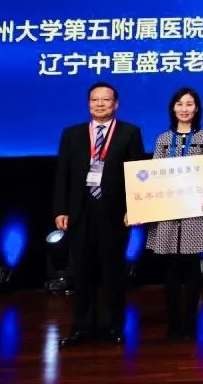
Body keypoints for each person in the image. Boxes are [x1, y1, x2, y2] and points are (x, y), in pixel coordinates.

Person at [53, 81, 145, 347]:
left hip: (114, 213)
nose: (100, 104)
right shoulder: (71, 134)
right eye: (95, 100)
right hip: (80, 212)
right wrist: (60, 209)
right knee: (82, 272)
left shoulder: (130, 132)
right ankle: (82, 327)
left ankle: (112, 326)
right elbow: (62, 174)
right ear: (88, 104)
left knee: (112, 272)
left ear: (116, 104)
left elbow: (137, 174)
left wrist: (134, 208)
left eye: (106, 100)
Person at [145, 87, 203, 339]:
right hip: (168, 211)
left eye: (189, 104)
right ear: (173, 108)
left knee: (193, 271)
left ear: (196, 109)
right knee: (171, 272)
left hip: (194, 212)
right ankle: (174, 324)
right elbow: (153, 174)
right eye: (180, 104)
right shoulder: (163, 139)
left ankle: (191, 322)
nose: (184, 108)